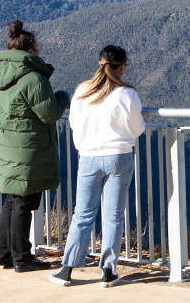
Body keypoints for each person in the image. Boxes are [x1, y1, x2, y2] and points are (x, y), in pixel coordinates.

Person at [49, 44, 144, 288]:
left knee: (83, 214)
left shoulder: (82, 91)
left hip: (89, 157)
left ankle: (67, 269)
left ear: (99, 62)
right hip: (119, 157)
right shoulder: (127, 94)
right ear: (122, 67)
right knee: (113, 216)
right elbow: (138, 128)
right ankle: (108, 271)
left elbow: (74, 124)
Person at [0, 20, 69, 273]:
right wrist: (63, 96)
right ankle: (22, 257)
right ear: (31, 52)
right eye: (38, 48)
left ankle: (3, 253)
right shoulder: (33, 79)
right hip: (30, 150)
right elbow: (50, 113)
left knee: (13, 200)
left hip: (8, 148)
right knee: (25, 203)